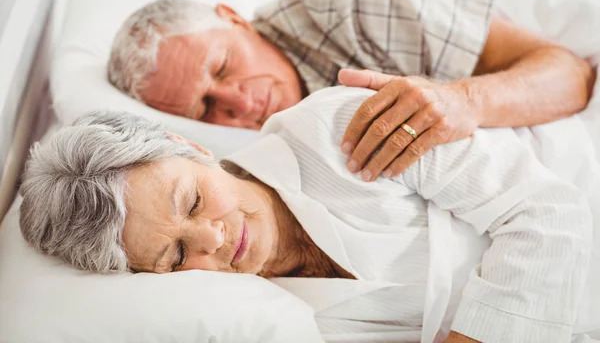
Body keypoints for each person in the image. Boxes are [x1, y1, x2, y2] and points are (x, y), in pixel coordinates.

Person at [20, 86, 593, 343]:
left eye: (192, 200)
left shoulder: (336, 129)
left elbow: (549, 214)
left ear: (188, 147)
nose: (213, 240)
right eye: (175, 255)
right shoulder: (264, 320)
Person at [107, 0, 594, 182]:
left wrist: (463, 100)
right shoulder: (245, 160)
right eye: (205, 107)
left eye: (222, 66)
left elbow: (570, 74)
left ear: (233, 17)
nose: (238, 102)